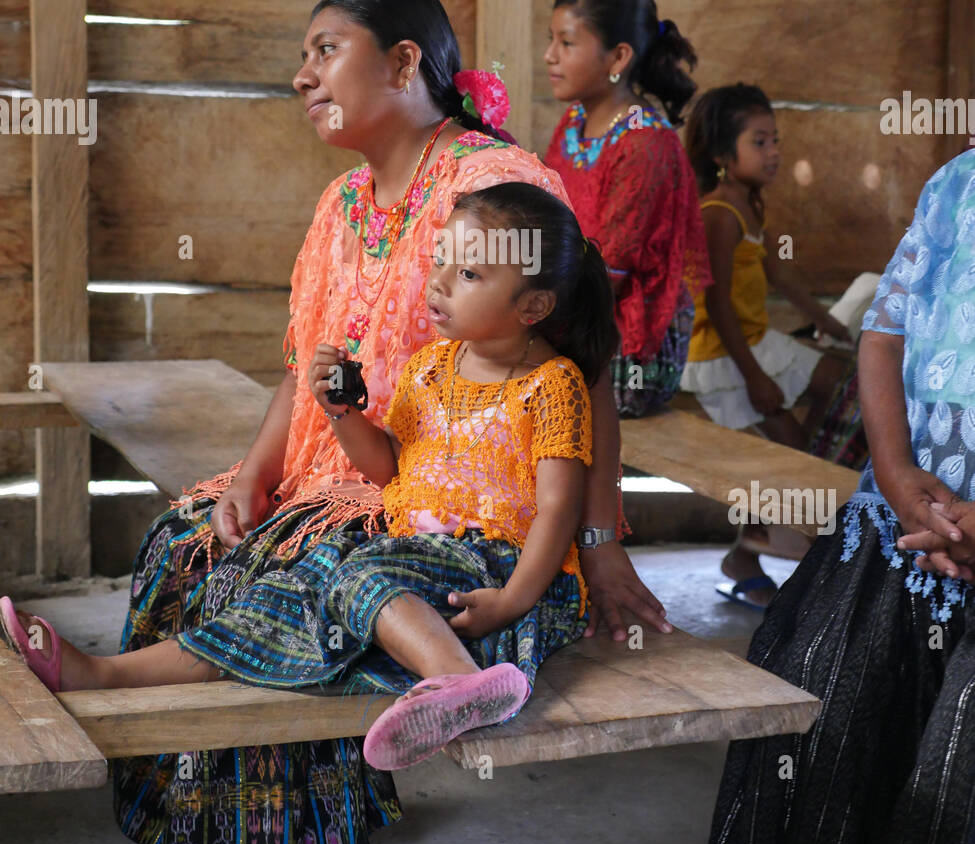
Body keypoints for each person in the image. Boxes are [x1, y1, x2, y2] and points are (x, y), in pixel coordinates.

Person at [18, 0, 667, 844]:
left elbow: (586, 363)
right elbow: (305, 364)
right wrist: (252, 473)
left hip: (423, 497)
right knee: (182, 543)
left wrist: (598, 547)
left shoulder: (493, 187)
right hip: (343, 460)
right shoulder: (342, 202)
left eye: (326, 50)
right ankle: (238, 838)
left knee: (255, 578)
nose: (302, 76)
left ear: (404, 62)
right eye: (305, 55)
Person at [2, 185, 619, 774]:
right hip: (421, 557)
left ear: (533, 306)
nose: (437, 282)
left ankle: (459, 683)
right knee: (290, 590)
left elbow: (557, 509)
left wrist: (513, 602)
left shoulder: (553, 385)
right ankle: (103, 674)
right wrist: (342, 413)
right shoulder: (431, 369)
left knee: (360, 574)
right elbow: (389, 467)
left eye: (469, 275)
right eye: (441, 261)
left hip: (502, 569)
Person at [704, 148, 975, 844]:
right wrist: (893, 473)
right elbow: (883, 334)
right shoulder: (958, 183)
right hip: (906, 521)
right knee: (821, 713)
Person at [682, 84, 849, 607]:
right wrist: (755, 376)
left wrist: (827, 318)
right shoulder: (717, 214)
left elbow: (777, 272)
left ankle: (763, 540)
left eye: (775, 140)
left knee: (838, 381)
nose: (774, 152)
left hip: (755, 337)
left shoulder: (748, 205)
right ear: (721, 155)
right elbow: (718, 305)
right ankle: (759, 549)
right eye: (760, 142)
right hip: (722, 352)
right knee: (787, 457)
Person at [543, 0, 711, 416]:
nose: (550, 56)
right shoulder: (574, 124)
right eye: (551, 40)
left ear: (617, 56)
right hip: (574, 315)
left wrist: (528, 313)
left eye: (567, 43)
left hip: (628, 347)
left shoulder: (645, 143)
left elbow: (608, 272)